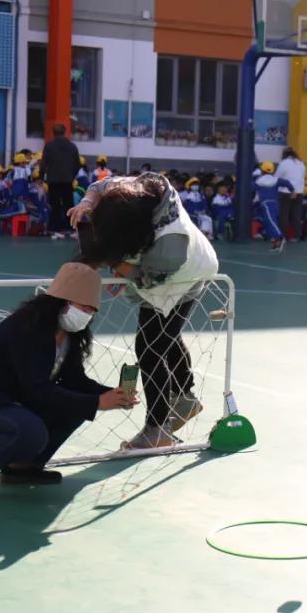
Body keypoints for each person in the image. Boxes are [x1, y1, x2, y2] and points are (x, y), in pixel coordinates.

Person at [0, 263, 137, 502]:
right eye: (84, 307)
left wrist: (111, 394)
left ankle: (23, 467)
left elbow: (75, 380)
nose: (88, 315)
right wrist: (96, 402)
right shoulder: (26, 329)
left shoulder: (68, 335)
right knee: (31, 430)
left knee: (74, 407)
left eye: (92, 310)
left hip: (3, 404)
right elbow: (37, 390)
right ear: (62, 301)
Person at [69, 172, 219, 450]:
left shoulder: (170, 244)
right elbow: (98, 187)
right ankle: (185, 397)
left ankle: (157, 429)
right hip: (178, 264)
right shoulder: (132, 192)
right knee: (167, 334)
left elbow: (148, 279)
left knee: (150, 347)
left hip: (183, 274)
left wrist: (111, 261)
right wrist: (88, 204)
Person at [41, 124, 81, 238]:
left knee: (55, 205)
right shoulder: (72, 146)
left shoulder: (49, 146)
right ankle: (72, 229)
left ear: (53, 133)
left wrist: (41, 177)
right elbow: (77, 164)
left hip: (53, 181)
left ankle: (55, 229)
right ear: (65, 132)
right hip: (68, 181)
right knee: (69, 205)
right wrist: (71, 175)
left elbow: (43, 164)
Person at [255, 161, 294, 252]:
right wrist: (292, 191)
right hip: (275, 203)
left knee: (270, 222)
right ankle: (275, 243)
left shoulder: (259, 181)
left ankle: (280, 237)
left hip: (266, 203)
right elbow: (287, 183)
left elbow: (251, 188)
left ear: (262, 170)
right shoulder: (276, 180)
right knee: (270, 222)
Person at [274, 147, 306, 241]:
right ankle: (296, 235)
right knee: (296, 215)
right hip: (299, 192)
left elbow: (277, 177)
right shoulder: (301, 163)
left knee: (284, 214)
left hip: (285, 191)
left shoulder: (283, 163)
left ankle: (282, 235)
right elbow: (302, 176)